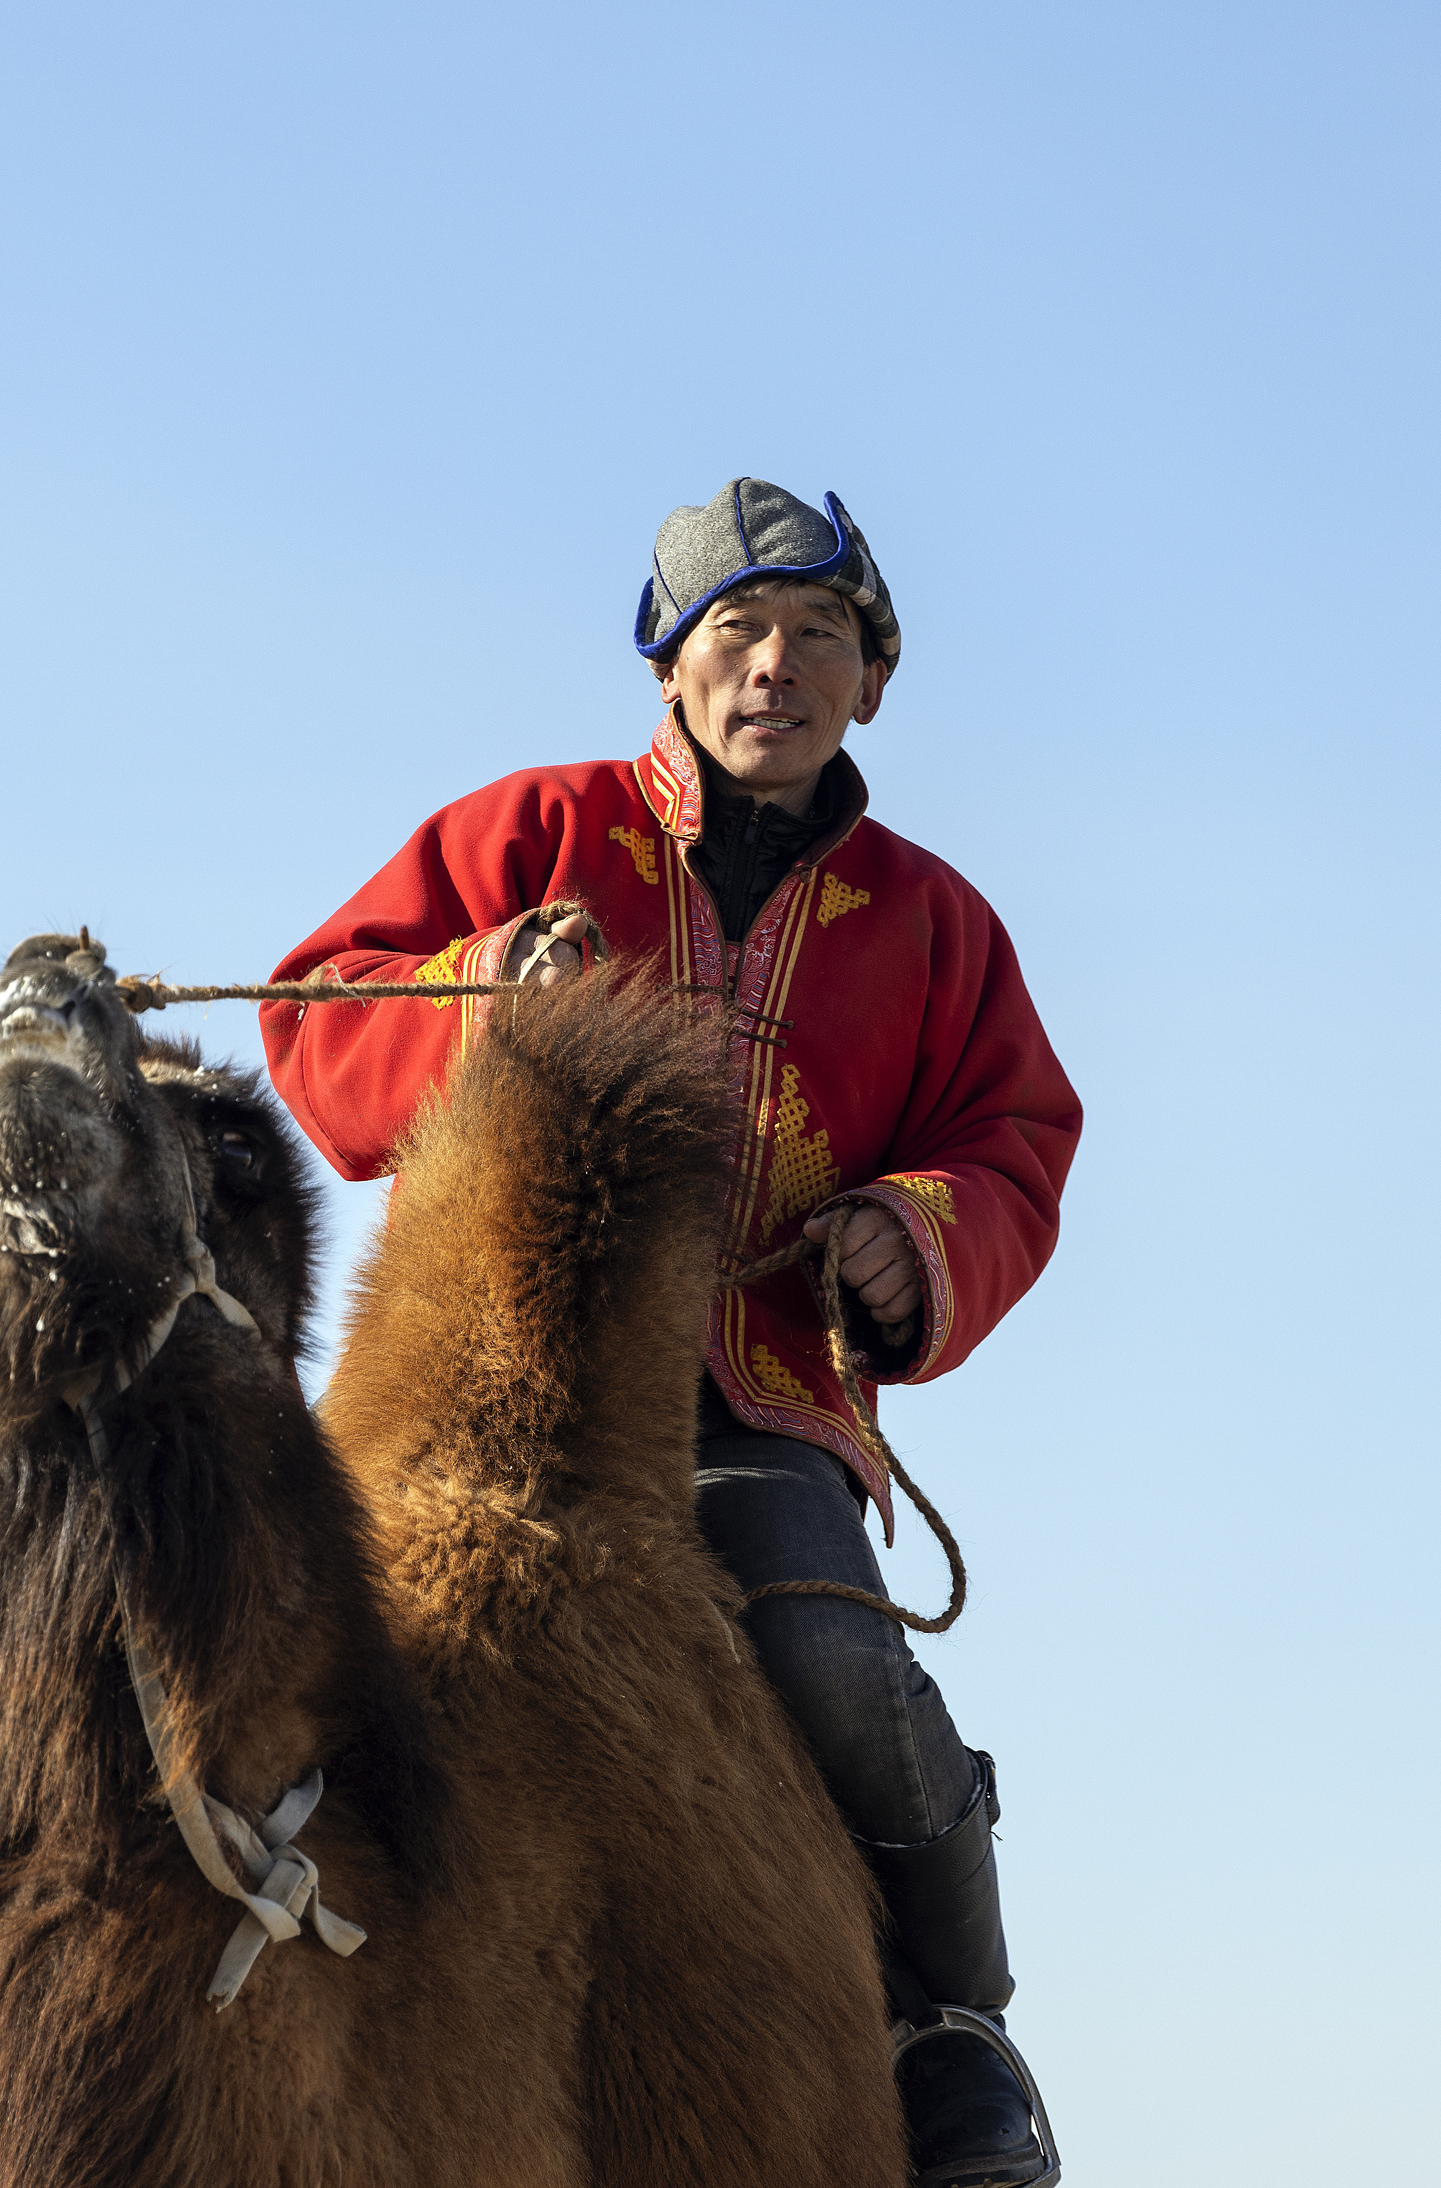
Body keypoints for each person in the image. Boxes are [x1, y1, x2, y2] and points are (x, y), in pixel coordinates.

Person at [261, 479, 1081, 2188]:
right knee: (252, 1638)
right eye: (739, 633)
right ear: (668, 663)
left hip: (755, 1400)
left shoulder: (937, 924)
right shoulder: (530, 831)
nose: (776, 666)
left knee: (842, 1672)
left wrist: (913, 1229)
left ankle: (955, 2030)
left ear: (872, 678)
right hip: (483, 1370)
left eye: (820, 638)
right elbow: (312, 1017)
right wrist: (482, 985)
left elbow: (1018, 1138)